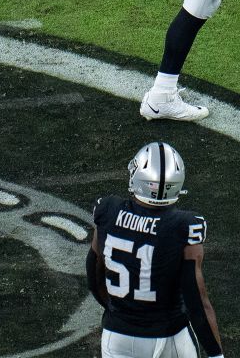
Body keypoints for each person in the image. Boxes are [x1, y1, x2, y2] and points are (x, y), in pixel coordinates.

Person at [88, 142, 223, 358]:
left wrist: (121, 313)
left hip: (117, 335)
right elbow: (196, 299)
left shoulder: (107, 210)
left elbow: (94, 276)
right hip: (168, 336)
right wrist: (216, 355)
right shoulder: (184, 225)